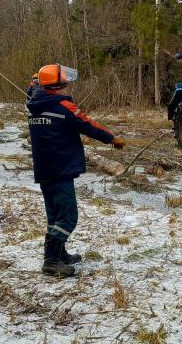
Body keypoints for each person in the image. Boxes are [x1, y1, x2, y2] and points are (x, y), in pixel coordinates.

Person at [26, 63, 126, 277]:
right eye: (63, 81)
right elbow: (88, 124)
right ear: (57, 85)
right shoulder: (63, 106)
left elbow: (32, 89)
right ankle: (51, 260)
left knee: (55, 215)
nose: (66, 84)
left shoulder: (34, 103)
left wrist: (36, 83)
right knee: (69, 217)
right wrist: (112, 139)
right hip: (60, 169)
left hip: (44, 169)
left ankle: (59, 254)